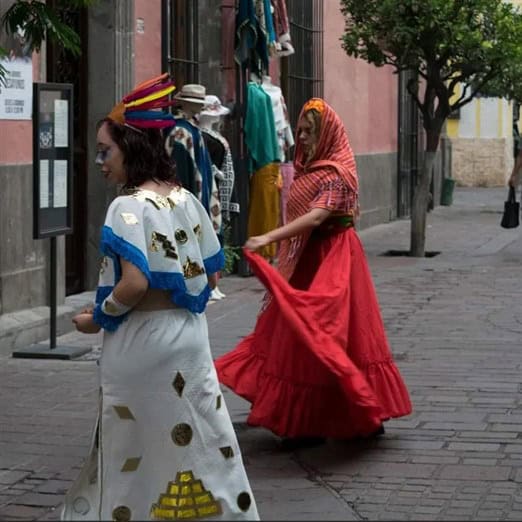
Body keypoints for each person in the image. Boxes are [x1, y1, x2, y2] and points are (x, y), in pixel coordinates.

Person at [62, 74, 259, 521]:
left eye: (105, 151)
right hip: (190, 340)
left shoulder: (126, 207)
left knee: (135, 446)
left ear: (130, 148)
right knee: (202, 441)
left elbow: (133, 283)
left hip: (143, 345)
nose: (99, 161)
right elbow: (211, 275)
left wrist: (99, 317)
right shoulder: (186, 198)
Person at [215, 98, 412, 450]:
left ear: (326, 134)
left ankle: (348, 417)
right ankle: (311, 421)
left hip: (333, 257)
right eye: (301, 131)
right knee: (299, 333)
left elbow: (319, 216)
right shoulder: (311, 170)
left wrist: (268, 237)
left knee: (329, 331)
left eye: (309, 132)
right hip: (310, 257)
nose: (301, 138)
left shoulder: (335, 173)